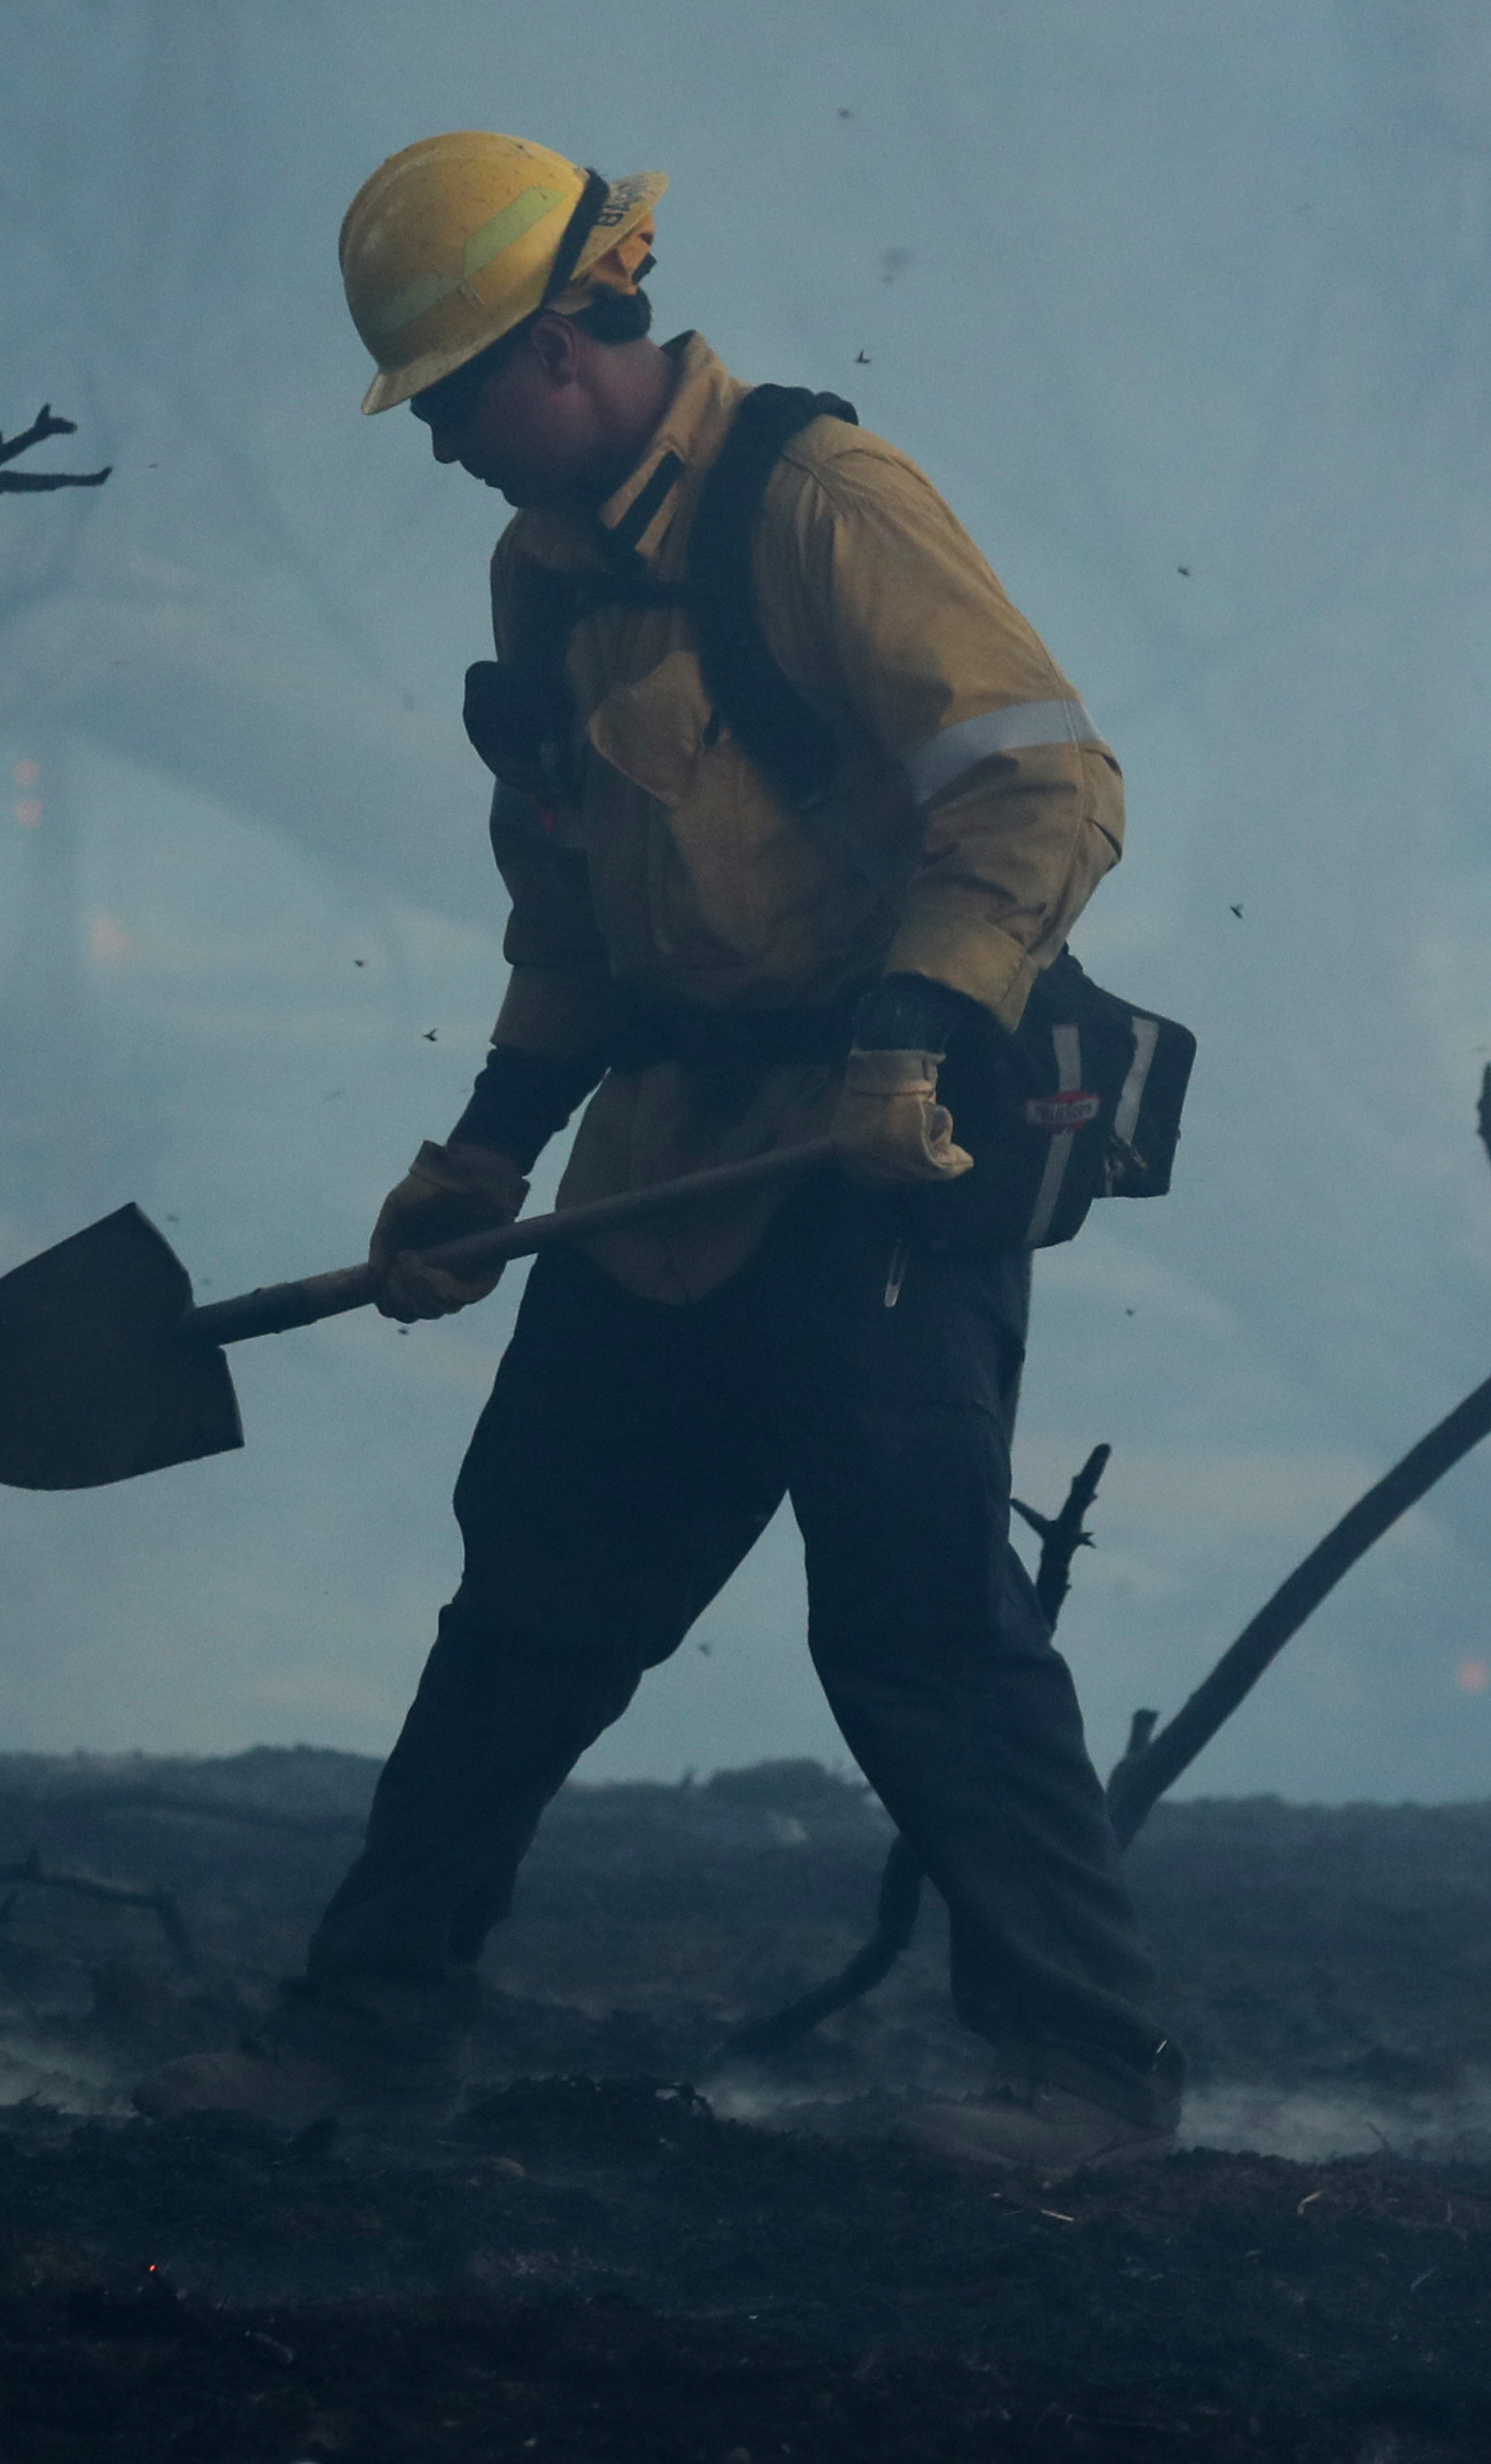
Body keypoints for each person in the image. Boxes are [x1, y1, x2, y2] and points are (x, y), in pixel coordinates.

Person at [134, 130, 1181, 2176]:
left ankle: (1085, 2077)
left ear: (568, 334)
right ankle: (357, 2039)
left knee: (914, 1627)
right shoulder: (540, 572)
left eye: (452, 396)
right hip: (663, 1166)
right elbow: (575, 919)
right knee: (525, 1601)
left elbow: (1046, 791)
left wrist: (906, 1046)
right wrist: (481, 1152)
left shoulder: (819, 503)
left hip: (886, 1161)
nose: (437, 444)